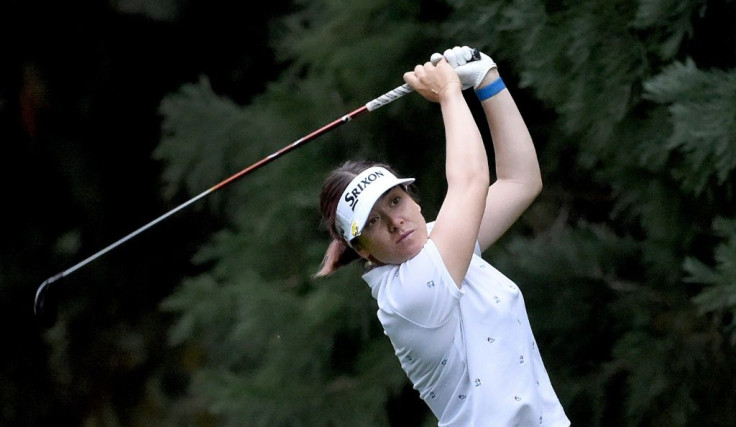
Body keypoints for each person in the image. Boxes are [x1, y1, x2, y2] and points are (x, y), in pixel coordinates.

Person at [315, 46, 570, 426]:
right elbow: (470, 182)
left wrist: (487, 81)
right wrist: (449, 93)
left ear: (415, 201)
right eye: (372, 222)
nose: (394, 222)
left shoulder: (442, 243)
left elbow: (520, 180)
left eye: (396, 201)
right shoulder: (408, 295)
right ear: (361, 249)